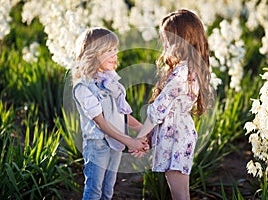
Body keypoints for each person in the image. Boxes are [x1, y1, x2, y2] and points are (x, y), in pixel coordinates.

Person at [132, 9, 214, 200]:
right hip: (181, 131)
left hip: (175, 136)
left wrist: (140, 138)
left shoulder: (180, 74)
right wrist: (151, 137)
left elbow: (158, 110)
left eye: (168, 38)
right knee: (181, 192)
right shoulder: (193, 68)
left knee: (179, 194)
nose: (165, 43)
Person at [71, 27, 147, 200]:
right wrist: (130, 141)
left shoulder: (110, 80)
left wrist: (144, 132)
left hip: (116, 143)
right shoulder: (83, 87)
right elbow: (101, 123)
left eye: (115, 50)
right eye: (109, 51)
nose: (115, 55)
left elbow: (123, 114)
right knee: (94, 191)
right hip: (98, 145)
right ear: (93, 54)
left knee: (108, 191)